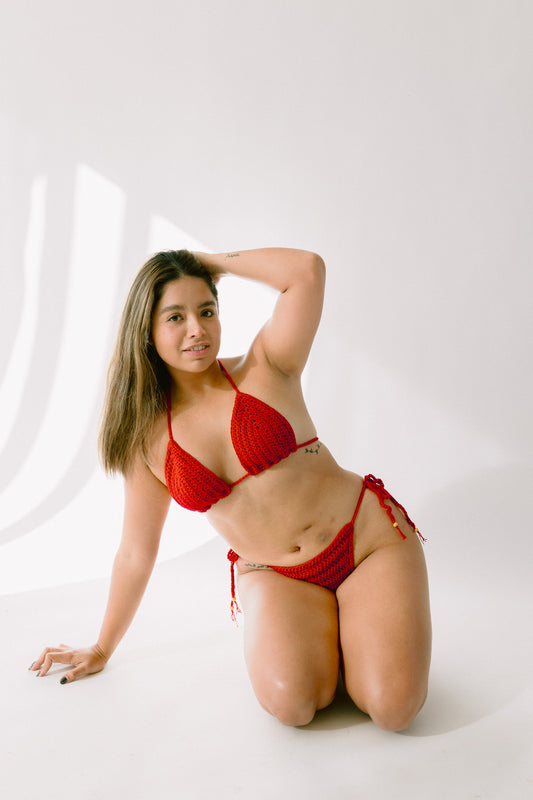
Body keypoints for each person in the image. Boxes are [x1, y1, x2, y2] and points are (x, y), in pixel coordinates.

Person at [30, 248, 431, 730]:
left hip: (365, 543)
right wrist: (102, 646)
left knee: (393, 709)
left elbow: (306, 271)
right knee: (293, 705)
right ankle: (345, 640)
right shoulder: (146, 440)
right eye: (175, 317)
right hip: (277, 573)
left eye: (206, 311)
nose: (196, 329)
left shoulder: (267, 364)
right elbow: (136, 552)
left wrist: (205, 261)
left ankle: (362, 635)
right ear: (146, 330)